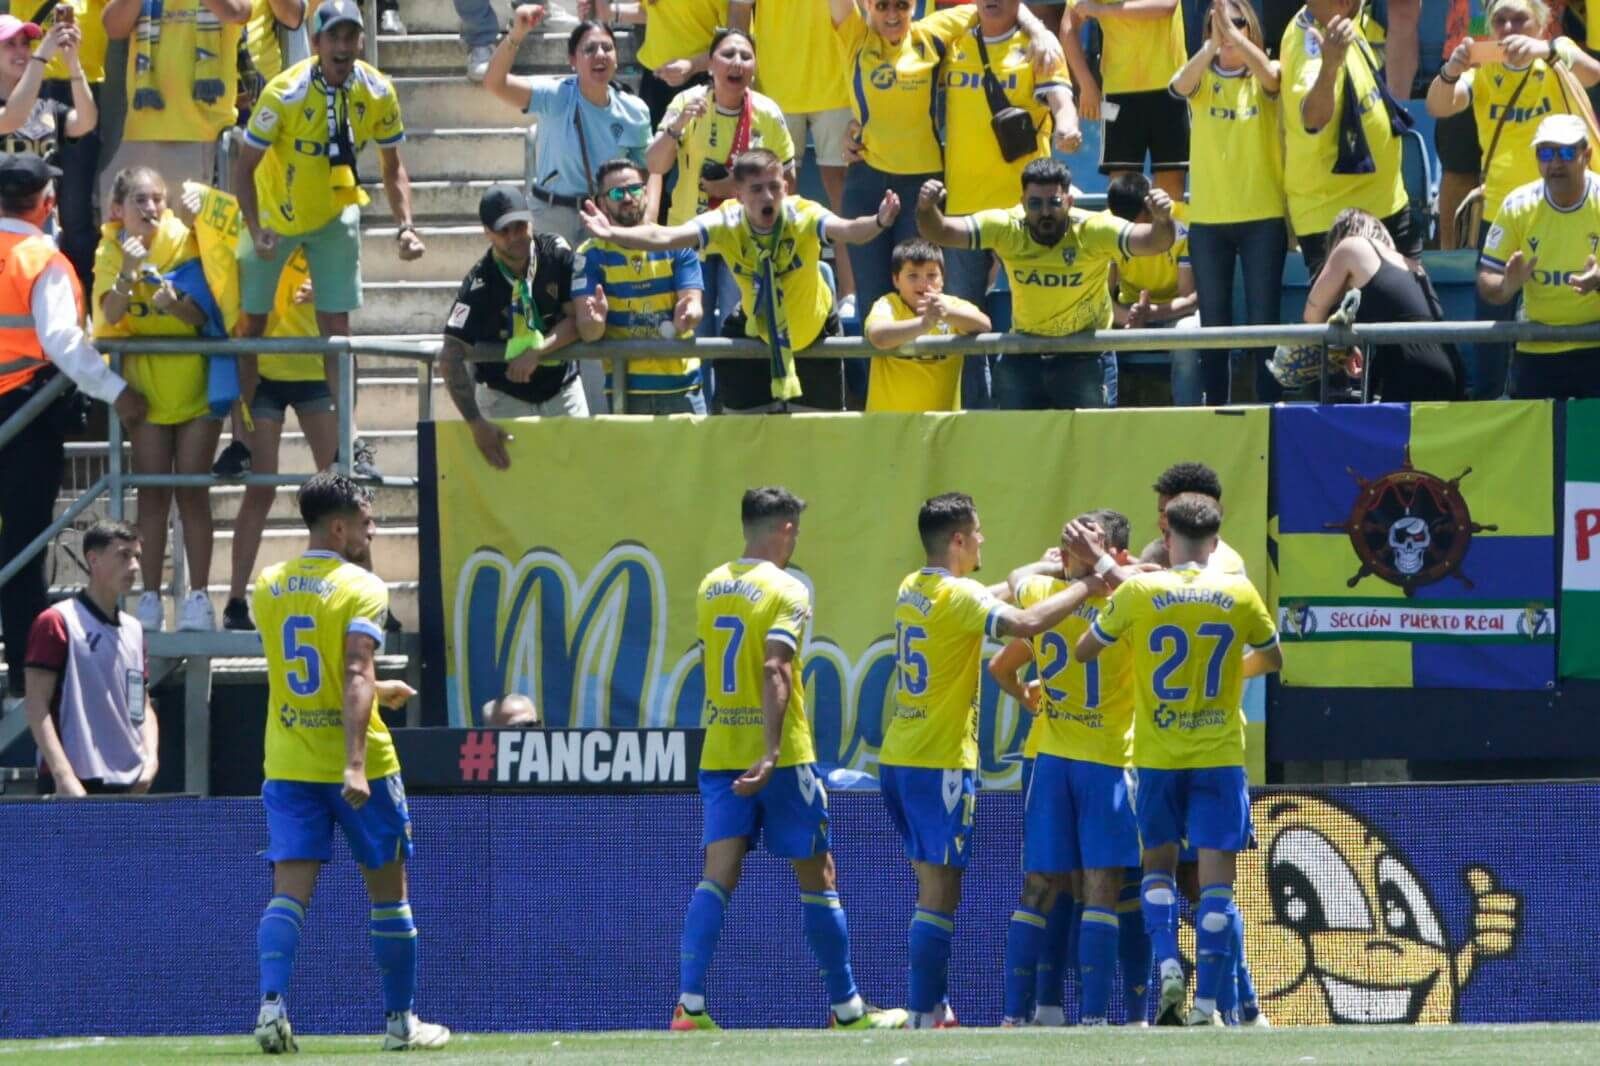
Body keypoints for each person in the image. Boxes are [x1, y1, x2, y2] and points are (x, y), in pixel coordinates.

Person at [673, 486, 908, 1033]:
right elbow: (776, 668)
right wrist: (773, 751)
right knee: (818, 874)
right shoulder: (788, 589)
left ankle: (689, 1004)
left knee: (717, 875)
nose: (796, 538)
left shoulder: (711, 584)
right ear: (782, 530)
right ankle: (848, 1009)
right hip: (781, 758)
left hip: (720, 751)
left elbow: (713, 658)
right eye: (795, 529)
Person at [879, 491, 1116, 1029]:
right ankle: (923, 1012)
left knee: (935, 885)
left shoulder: (915, 588)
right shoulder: (959, 596)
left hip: (898, 756)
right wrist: (1085, 584)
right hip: (938, 759)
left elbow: (997, 592)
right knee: (939, 890)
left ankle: (934, 1006)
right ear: (959, 539)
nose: (984, 538)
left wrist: (1046, 566)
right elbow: (1029, 621)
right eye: (978, 532)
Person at [249, 471, 449, 1054]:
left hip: (288, 763)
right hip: (359, 770)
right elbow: (353, 670)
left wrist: (375, 688)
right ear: (338, 527)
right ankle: (399, 1024)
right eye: (365, 521)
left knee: (288, 893)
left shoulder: (268, 584)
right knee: (389, 894)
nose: (373, 529)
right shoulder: (361, 587)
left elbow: (309, 670)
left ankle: (270, 1007)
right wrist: (356, 763)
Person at [1074, 493, 1283, 1027]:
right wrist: (1233, 671)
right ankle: (1208, 1006)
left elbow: (1084, 649)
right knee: (1217, 887)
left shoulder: (1142, 589)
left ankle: (1168, 958)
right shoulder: (1238, 590)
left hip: (1159, 756)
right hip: (1218, 755)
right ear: (1214, 543)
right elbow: (1274, 656)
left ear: (1166, 538)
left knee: (1158, 868)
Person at [233, 0, 422, 479]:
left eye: (350, 36)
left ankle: (350, 440)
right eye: (332, 37)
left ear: (361, 39)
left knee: (337, 331)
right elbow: (243, 166)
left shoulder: (378, 90)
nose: (342, 46)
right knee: (250, 326)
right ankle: (241, 439)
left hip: (335, 213)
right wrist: (256, 229)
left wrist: (406, 226)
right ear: (315, 43)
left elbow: (393, 165)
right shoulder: (286, 92)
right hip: (276, 214)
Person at [579, 147, 901, 413]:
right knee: (745, 432)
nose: (768, 196)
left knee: (817, 438)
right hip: (755, 331)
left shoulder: (803, 214)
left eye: (774, 186)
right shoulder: (726, 221)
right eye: (757, 189)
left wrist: (880, 220)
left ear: (785, 189)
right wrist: (613, 233)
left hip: (815, 334)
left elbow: (851, 231)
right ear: (738, 194)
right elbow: (665, 236)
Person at [831, 0, 1058, 368]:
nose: (892, 15)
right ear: (867, 6)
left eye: (902, 6)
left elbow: (1001, 6)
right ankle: (880, 407)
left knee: (920, 297)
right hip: (867, 181)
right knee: (875, 303)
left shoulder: (931, 33)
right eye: (883, 6)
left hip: (923, 185)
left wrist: (1039, 32)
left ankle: (927, 399)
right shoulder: (857, 36)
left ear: (915, 7)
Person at [989, 511, 1147, 1028]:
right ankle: (1095, 1017)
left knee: (1041, 886)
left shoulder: (1039, 592)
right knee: (1099, 887)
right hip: (1102, 761)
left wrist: (1062, 568)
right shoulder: (1129, 599)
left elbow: (1015, 579)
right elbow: (1154, 580)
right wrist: (1097, 567)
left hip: (1052, 758)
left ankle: (1018, 1014)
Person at [0, 153, 147, 703]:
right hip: (24, 416)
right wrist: (117, 391)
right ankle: (27, 679)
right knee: (22, 547)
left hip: (19, 414)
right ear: (47, 203)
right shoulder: (43, 259)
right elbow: (63, 342)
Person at [1428, 0, 1600, 399]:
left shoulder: (1559, 54)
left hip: (1569, 207)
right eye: (1500, 20)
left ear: (1541, 24)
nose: (1509, 27)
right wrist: (1451, 70)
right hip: (1506, 211)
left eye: (1519, 18)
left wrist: (1548, 50)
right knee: (1493, 322)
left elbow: (1593, 74)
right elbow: (1439, 104)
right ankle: (1491, 409)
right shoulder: (1483, 71)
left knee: (1578, 308)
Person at [914, 157, 1173, 410]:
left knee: (1091, 447)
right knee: (1019, 446)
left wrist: (1162, 220)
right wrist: (927, 208)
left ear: (1070, 202)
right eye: (1035, 203)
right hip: (1024, 352)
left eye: (1054, 202)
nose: (1045, 212)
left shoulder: (1094, 229)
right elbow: (941, 232)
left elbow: (1155, 242)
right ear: (1022, 202)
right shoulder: (1006, 227)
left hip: (1086, 354)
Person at [93, 166, 220, 633]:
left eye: (158, 199)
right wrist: (128, 274)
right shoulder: (110, 247)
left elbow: (206, 310)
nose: (150, 209)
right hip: (144, 388)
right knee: (151, 496)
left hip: (195, 384)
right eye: (140, 201)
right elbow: (108, 314)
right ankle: (148, 597)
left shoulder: (185, 238)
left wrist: (175, 305)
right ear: (118, 209)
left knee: (192, 491)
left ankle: (200, 599)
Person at [937, 0, 1077, 408]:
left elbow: (1062, 102)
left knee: (1033, 315)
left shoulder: (1040, 45)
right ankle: (977, 413)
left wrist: (1067, 128)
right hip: (965, 208)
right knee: (965, 321)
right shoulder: (952, 36)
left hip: (1025, 212)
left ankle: (1030, 407)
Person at [647, 26, 793, 360]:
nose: (737, 62)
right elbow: (655, 163)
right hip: (690, 237)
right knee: (691, 335)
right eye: (728, 55)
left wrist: (742, 189)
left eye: (745, 56)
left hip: (743, 240)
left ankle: (729, 407)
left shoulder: (768, 113)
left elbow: (790, 182)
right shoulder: (686, 102)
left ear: (755, 67)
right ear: (711, 65)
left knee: (735, 331)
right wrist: (678, 125)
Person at [1171, 0, 1287, 404]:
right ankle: (1216, 411)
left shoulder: (1265, 72)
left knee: (1264, 325)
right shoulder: (1202, 77)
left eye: (1238, 23)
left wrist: (1236, 37)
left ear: (1251, 28)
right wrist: (1210, 44)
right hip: (1209, 222)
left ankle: (1268, 412)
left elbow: (1274, 80)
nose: (1227, 31)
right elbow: (1180, 86)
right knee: (1214, 327)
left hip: (1263, 217)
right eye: (1217, 25)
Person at [222, 248, 331, 631]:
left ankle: (357, 591)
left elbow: (347, 303)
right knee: (260, 488)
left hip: (314, 369)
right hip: (263, 375)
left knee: (339, 487)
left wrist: (325, 293)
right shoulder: (256, 244)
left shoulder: (322, 237)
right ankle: (235, 600)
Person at [439, 184, 583, 469]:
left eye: (519, 226)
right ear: (487, 233)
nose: (515, 236)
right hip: (504, 398)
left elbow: (576, 319)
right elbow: (450, 353)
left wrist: (537, 352)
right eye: (504, 231)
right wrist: (476, 424)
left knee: (579, 480)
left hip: (563, 391)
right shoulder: (478, 284)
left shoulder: (555, 254)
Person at [485, 9, 652, 248]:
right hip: (551, 216)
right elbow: (494, 83)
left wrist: (645, 221)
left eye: (607, 48)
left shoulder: (634, 110)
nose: (600, 55)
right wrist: (516, 34)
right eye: (589, 49)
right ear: (572, 60)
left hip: (605, 217)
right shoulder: (555, 95)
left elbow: (646, 171)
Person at [1281, 0, 1415, 276]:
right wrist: (1329, 65)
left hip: (1388, 202)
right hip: (1338, 221)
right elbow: (1313, 117)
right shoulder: (1308, 44)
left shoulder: (1341, 18)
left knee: (1418, 313)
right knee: (1351, 316)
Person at [24, 520, 157, 797]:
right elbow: (36, 705)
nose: (134, 566)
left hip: (129, 785)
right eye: (123, 555)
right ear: (93, 559)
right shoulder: (57, 621)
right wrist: (63, 776)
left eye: (137, 557)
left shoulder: (134, 630)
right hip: (75, 785)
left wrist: (150, 762)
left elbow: (142, 706)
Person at [1479, 112, 1600, 398]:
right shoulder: (1516, 205)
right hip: (1537, 348)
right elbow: (1487, 278)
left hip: (1596, 345)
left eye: (1567, 152)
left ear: (1587, 154)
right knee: (1536, 440)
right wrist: (1506, 287)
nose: (1556, 163)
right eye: (1546, 153)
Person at [572, 158, 706, 414]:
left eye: (634, 188)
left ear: (645, 192)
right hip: (625, 392)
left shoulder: (676, 245)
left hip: (684, 389)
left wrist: (689, 315)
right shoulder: (588, 256)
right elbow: (589, 333)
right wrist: (596, 321)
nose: (627, 197)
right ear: (602, 202)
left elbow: (694, 307)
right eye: (616, 192)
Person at [1304, 207, 1463, 402]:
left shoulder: (1350, 247)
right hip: (1451, 369)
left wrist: (1340, 349)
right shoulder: (1412, 265)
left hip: (1411, 371)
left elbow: (1312, 316)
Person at [100, 0, 249, 205]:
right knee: (145, 232)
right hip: (143, 134)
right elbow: (113, 27)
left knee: (196, 234)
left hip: (202, 135)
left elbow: (236, 12)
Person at [0, 12, 97, 290]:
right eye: (10, 44)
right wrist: (41, 58)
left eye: (25, 44)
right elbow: (12, 118)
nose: (21, 51)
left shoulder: (46, 105)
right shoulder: (17, 105)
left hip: (41, 226)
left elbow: (85, 122)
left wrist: (73, 63)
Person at [1065, 0, 1190, 202]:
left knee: (1171, 185)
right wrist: (1087, 85)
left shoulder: (1101, 8)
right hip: (1117, 93)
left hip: (1171, 88)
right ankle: (1129, 233)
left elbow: (1166, 6)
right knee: (1122, 189)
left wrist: (1101, 10)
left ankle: (1170, 233)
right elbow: (1068, 28)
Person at [1103, 172, 1201, 407]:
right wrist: (1128, 317)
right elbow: (1100, 297)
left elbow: (1189, 299)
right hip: (1127, 309)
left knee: (1188, 336)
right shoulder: (1105, 226)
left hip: (1175, 311)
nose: (1135, 236)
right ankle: (1101, 418)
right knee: (1094, 336)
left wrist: (1151, 313)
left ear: (1150, 209)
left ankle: (1189, 420)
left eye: (1139, 226)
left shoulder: (1184, 222)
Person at [862, 238, 990, 413]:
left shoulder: (951, 305)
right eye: (913, 275)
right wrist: (924, 324)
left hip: (940, 429)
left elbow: (984, 325)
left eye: (932, 275)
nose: (923, 283)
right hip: (889, 429)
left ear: (943, 279)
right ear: (896, 280)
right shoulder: (888, 304)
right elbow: (879, 336)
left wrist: (948, 313)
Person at [588, 0, 722, 132]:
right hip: (654, 80)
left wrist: (693, 65)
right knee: (651, 149)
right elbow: (650, 12)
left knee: (696, 151)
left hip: (701, 82)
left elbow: (738, 39)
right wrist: (611, 11)